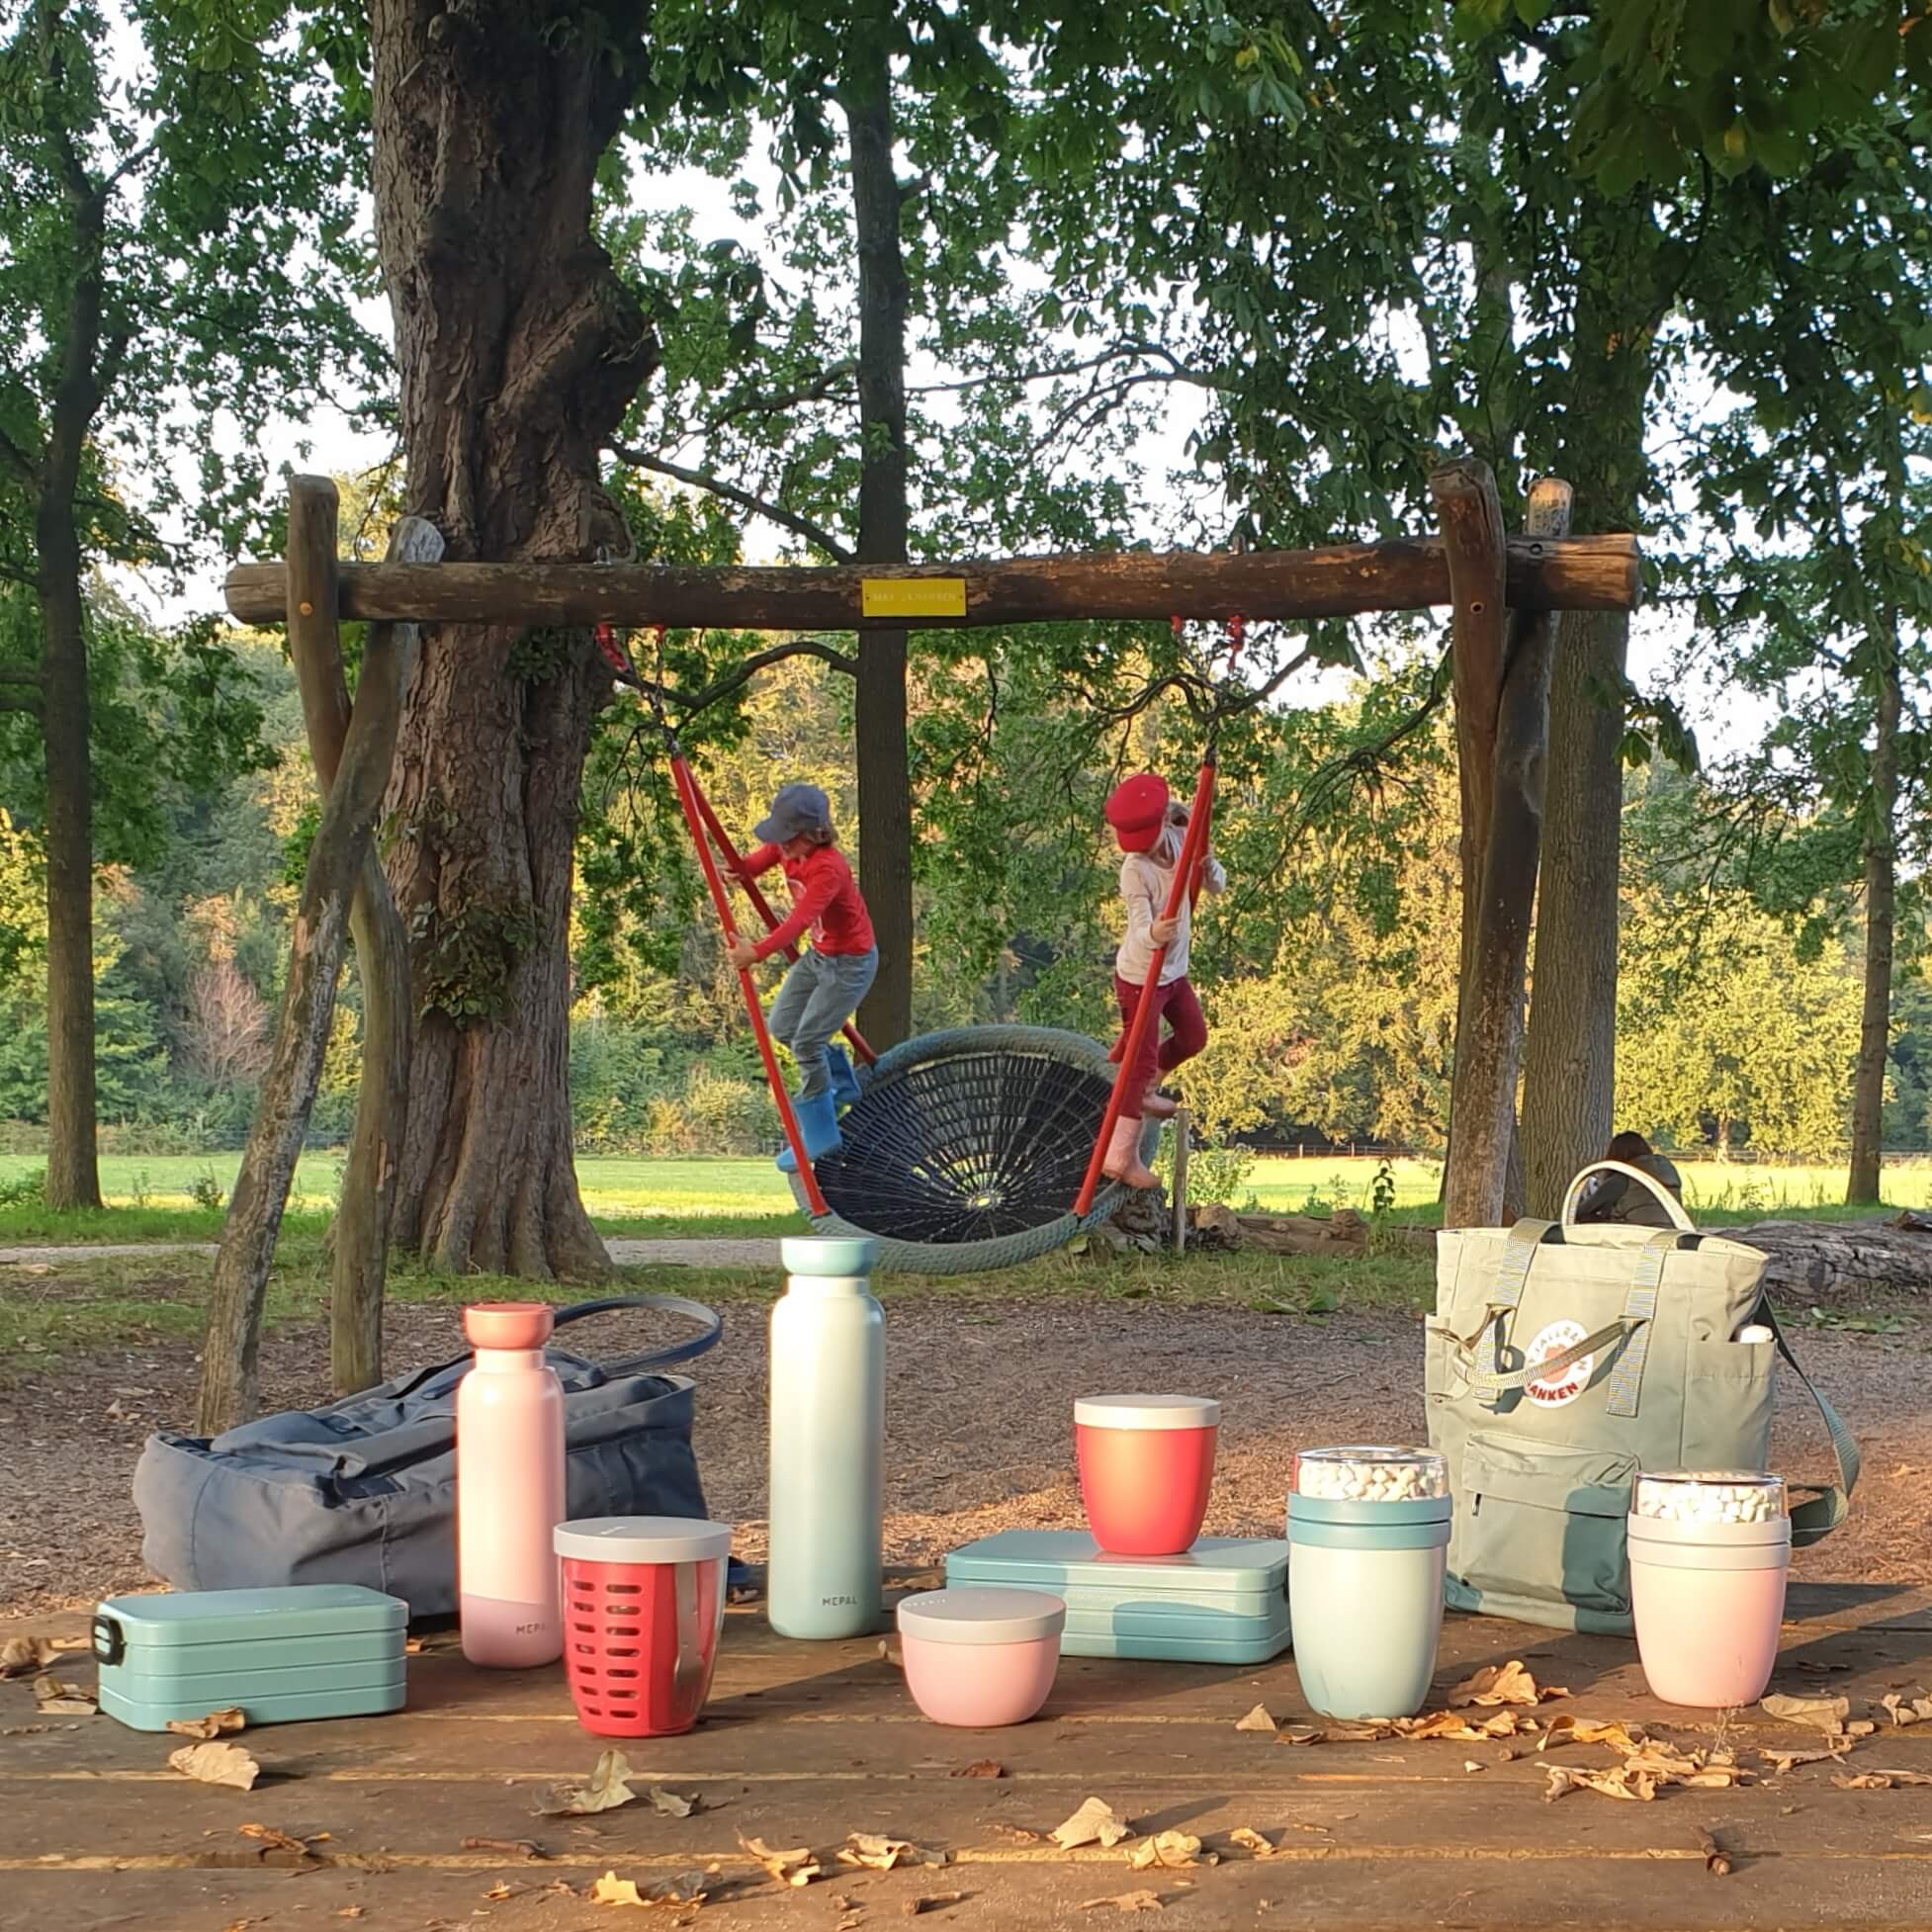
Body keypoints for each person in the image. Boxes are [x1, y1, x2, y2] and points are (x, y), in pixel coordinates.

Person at [727, 782, 877, 1171]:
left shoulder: (828, 868)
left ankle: (820, 1132)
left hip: (850, 963)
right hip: (821, 956)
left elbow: (797, 922)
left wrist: (755, 952)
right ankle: (841, 1083)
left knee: (807, 1041)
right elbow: (754, 865)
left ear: (815, 834)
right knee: (783, 1026)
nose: (782, 846)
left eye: (789, 839)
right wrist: (738, 868)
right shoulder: (787, 848)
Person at [1101, 772, 1225, 1189]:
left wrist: (1210, 873)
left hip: (1174, 973)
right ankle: (1120, 1157)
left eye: (1150, 839)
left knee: (1193, 1037)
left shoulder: (1181, 839)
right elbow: (1138, 923)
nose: (1147, 849)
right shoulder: (1134, 870)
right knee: (1137, 1063)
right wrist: (1153, 934)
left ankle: (1151, 1080)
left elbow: (1215, 883)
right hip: (1141, 975)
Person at [1572, 1131, 1685, 1226]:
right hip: (1670, 1238)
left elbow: (1581, 1211)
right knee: (1652, 1251)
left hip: (1639, 1243)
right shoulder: (1669, 1172)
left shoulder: (1623, 1178)